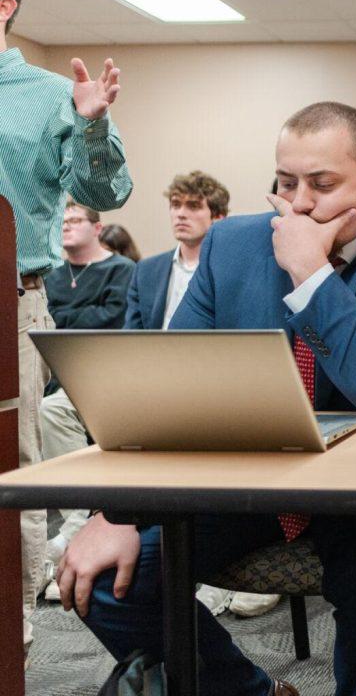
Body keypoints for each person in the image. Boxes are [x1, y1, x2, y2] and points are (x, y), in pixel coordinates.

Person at [56, 102, 356, 696]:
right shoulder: (231, 243)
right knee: (104, 582)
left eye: (323, 185)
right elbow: (171, 382)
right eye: (286, 182)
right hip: (254, 471)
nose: (299, 204)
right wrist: (115, 514)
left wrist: (311, 274)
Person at [0, 0, 131, 660]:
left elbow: (109, 195)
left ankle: (10, 629)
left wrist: (91, 125)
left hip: (10, 305)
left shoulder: (51, 93)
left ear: (3, 6)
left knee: (9, 468)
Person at [41, 174, 230, 596]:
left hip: (207, 386)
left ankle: (209, 556)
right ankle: (81, 523)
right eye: (175, 205)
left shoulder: (229, 268)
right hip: (145, 381)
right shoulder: (149, 270)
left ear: (218, 217)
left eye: (193, 206)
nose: (180, 213)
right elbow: (131, 337)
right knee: (54, 407)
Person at [44, 201, 135, 333]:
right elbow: (45, 319)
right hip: (57, 349)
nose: (65, 227)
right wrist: (89, 311)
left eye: (74, 220)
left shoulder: (122, 269)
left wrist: (61, 315)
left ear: (97, 228)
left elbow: (113, 318)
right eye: (60, 223)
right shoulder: (51, 273)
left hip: (104, 349)